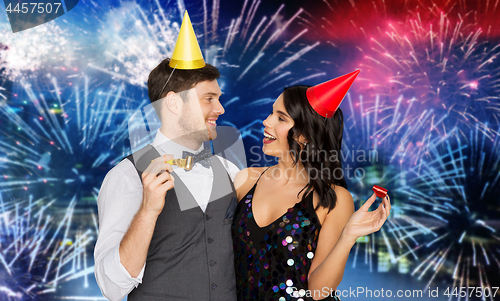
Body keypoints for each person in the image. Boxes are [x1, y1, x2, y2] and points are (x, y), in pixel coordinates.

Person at [94, 12, 239, 301]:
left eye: (219, 98)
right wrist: (147, 211)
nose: (220, 109)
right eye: (209, 98)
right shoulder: (127, 176)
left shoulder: (230, 171)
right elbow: (111, 289)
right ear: (173, 102)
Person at [231, 71, 391, 301]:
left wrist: (349, 235)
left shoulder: (334, 198)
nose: (266, 122)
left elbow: (319, 291)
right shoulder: (245, 180)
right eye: (271, 113)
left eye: (281, 118)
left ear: (305, 136)